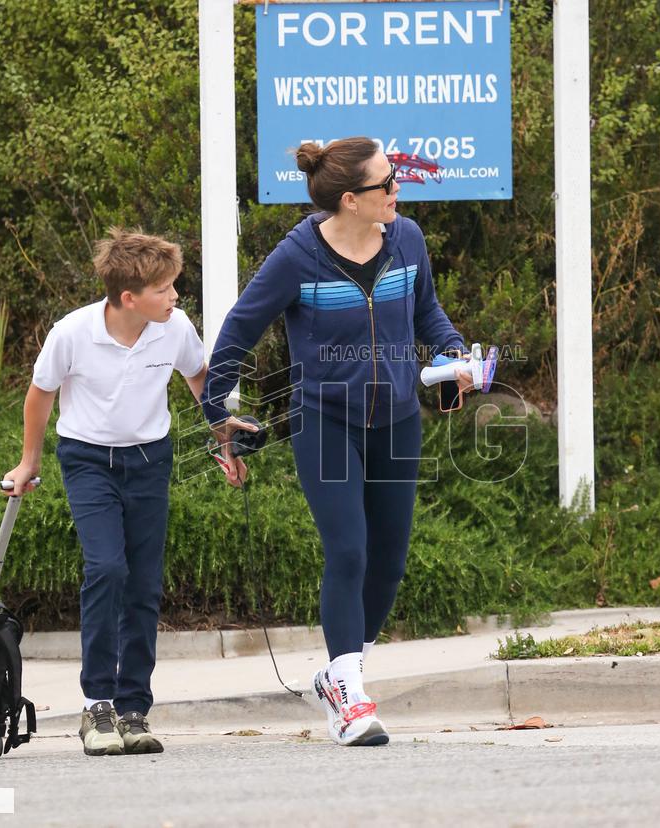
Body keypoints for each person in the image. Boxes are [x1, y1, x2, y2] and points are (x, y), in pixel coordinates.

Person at [202, 137, 474, 746]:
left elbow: (427, 312)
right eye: (387, 182)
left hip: (399, 418)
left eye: (396, 176)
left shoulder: (407, 239)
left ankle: (338, 674)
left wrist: (452, 352)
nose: (398, 188)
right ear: (350, 200)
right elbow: (239, 331)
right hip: (323, 421)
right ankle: (351, 698)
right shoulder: (298, 256)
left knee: (389, 562)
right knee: (349, 551)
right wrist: (215, 412)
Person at [3, 227, 246, 756]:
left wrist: (224, 438)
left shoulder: (174, 327)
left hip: (150, 459)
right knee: (107, 568)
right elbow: (41, 394)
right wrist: (29, 460)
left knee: (143, 583)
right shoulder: (72, 333)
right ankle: (97, 705)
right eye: (165, 289)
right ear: (129, 297)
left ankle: (134, 708)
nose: (176, 296)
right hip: (88, 459)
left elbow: (200, 379)